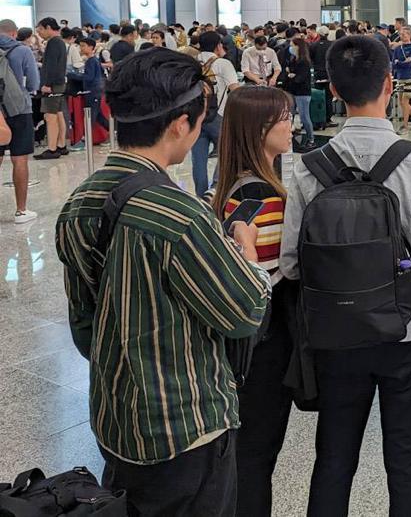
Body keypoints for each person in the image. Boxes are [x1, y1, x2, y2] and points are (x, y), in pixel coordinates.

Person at [55, 48, 272, 516]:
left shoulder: (78, 202)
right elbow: (245, 312)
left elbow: (84, 328)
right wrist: (248, 253)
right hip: (185, 428)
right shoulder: (180, 215)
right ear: (181, 124)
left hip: (115, 421)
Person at [279, 35, 411, 516]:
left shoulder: (308, 167)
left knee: (334, 456)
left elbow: (292, 262)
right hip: (408, 326)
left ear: (333, 90)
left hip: (335, 331)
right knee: (407, 456)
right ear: (389, 83)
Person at [210, 85, 294, 517]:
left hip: (242, 351)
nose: (291, 124)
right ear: (260, 129)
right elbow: (277, 274)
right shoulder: (264, 199)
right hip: (266, 347)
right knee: (257, 458)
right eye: (284, 118)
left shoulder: (232, 186)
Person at [0, 19, 40, 222]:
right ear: (14, 33)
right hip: (20, 109)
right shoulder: (22, 51)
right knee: (20, 158)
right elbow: (34, 81)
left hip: (0, 113)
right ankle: (21, 211)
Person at [192, 30, 239, 194]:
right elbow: (235, 89)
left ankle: (200, 195)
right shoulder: (223, 64)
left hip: (196, 116)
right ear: (218, 45)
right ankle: (215, 189)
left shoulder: (192, 62)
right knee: (228, 152)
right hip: (219, 116)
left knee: (198, 159)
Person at [35, 17, 68, 160]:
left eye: (40, 30)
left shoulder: (54, 43)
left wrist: (47, 83)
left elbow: (52, 65)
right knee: (58, 113)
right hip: (59, 83)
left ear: (48, 27)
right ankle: (61, 145)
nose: (40, 34)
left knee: (50, 116)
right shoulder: (60, 42)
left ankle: (52, 148)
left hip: (53, 85)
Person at [67, 37, 109, 137]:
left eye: (83, 46)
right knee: (98, 116)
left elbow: (88, 77)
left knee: (91, 116)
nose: (81, 48)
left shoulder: (91, 61)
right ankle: (113, 131)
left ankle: (85, 137)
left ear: (91, 47)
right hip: (95, 91)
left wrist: (72, 75)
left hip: (92, 92)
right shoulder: (94, 60)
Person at [285, 36, 314, 151]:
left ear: (298, 47)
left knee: (304, 117)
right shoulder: (293, 59)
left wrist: (292, 76)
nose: (290, 48)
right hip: (293, 91)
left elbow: (300, 78)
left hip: (302, 92)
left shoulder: (304, 61)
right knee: (290, 115)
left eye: (292, 45)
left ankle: (311, 138)